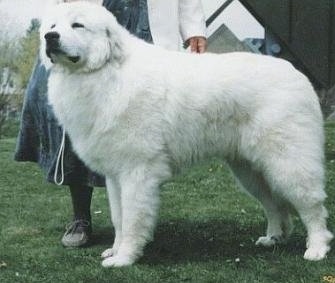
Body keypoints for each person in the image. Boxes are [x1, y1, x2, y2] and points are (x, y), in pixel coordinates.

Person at [15, 0, 207, 248]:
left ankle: (131, 229)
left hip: (146, 21)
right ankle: (81, 218)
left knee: (139, 142)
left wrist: (194, 28)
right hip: (89, 14)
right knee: (78, 126)